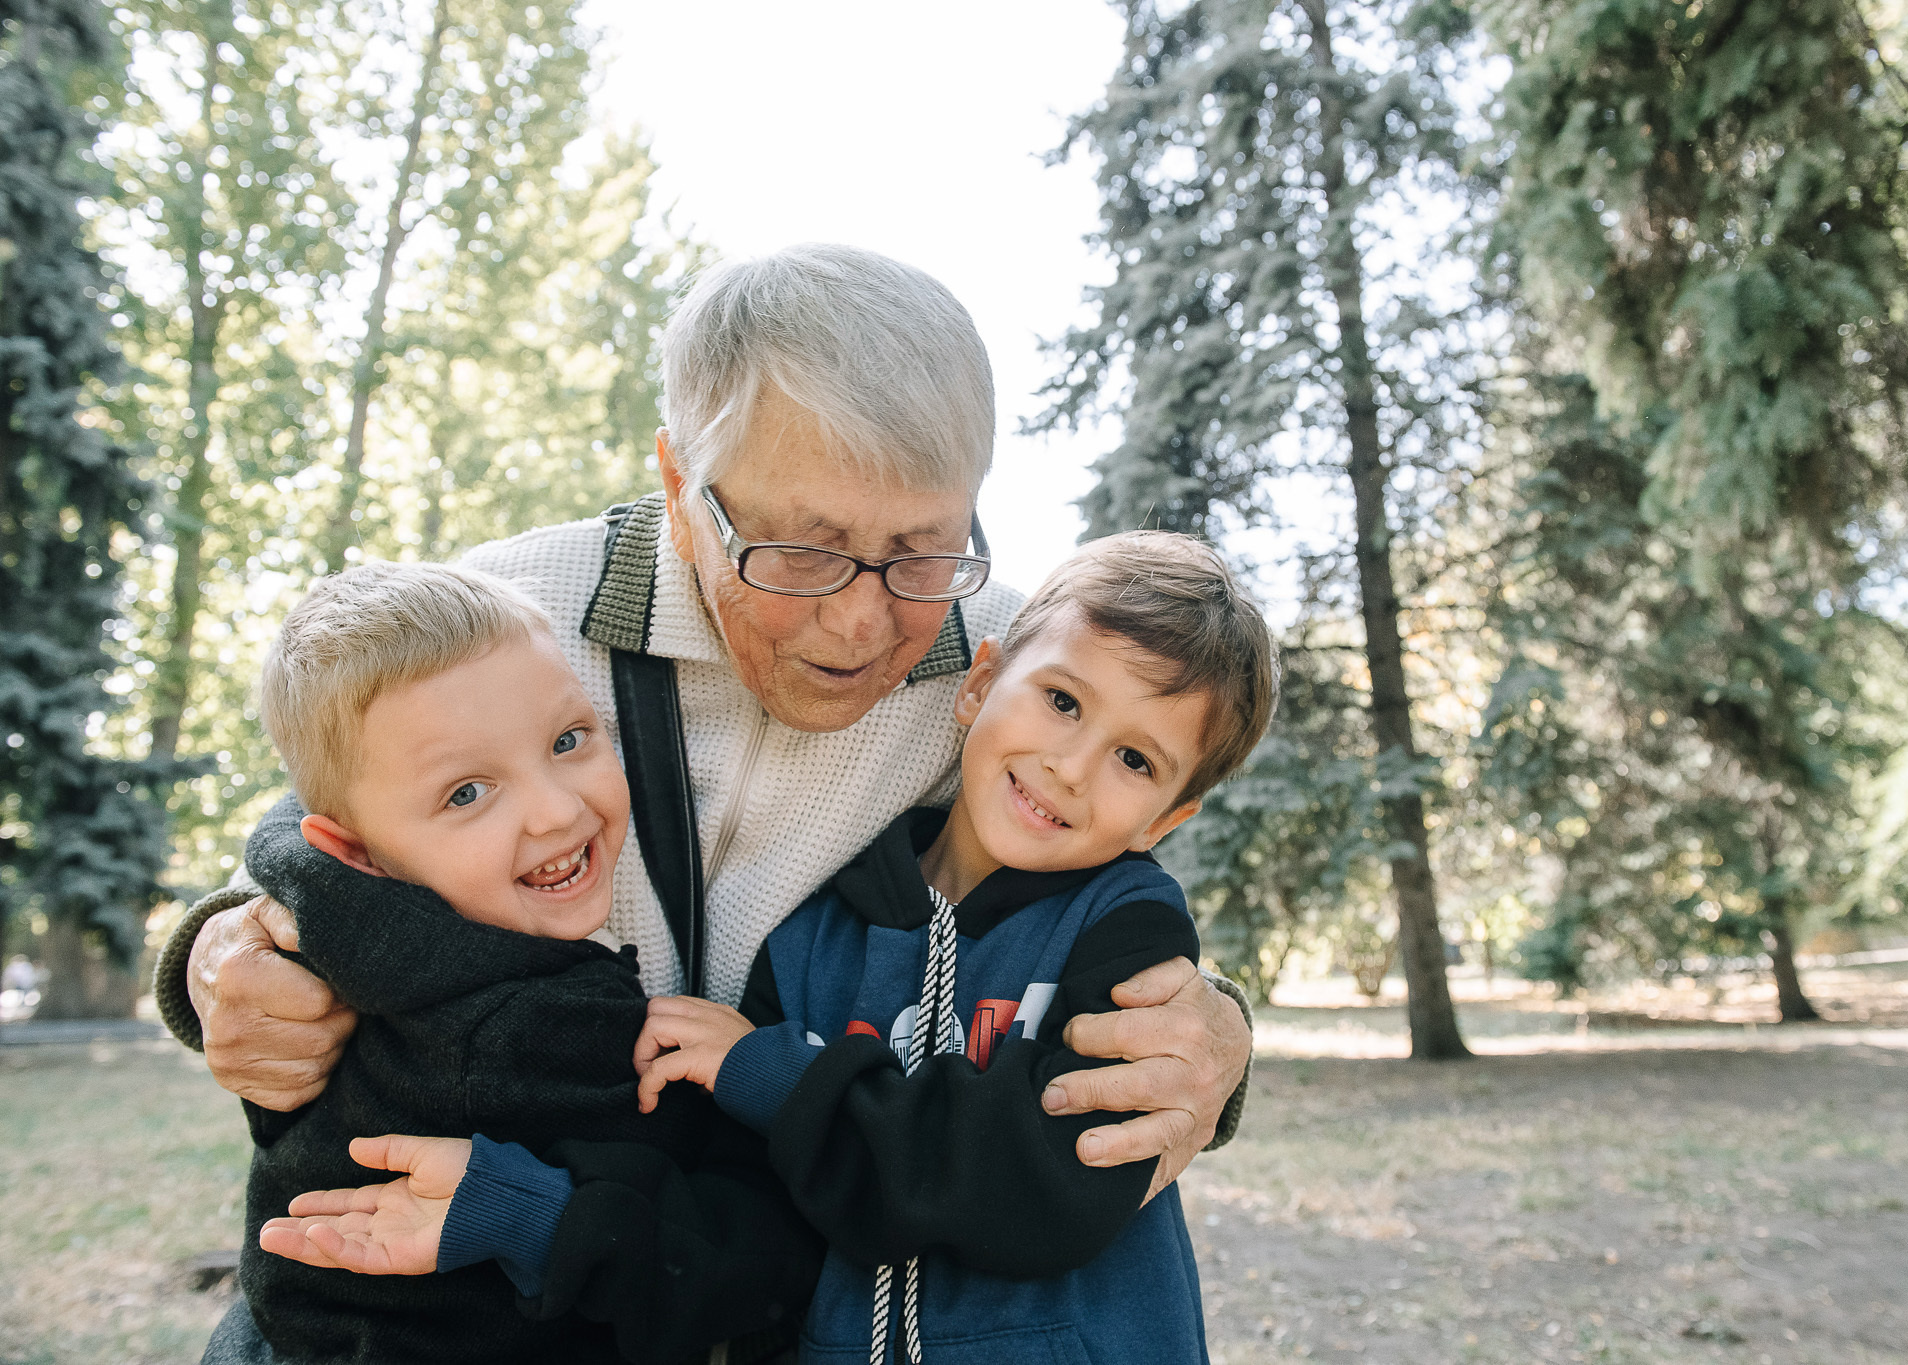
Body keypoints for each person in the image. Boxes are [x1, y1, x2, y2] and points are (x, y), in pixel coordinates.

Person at [154, 244, 1255, 1350]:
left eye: (919, 549)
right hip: (420, 1287)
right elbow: (301, 855)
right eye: (802, 552)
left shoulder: (1012, 672)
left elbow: (1115, 870)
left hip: (720, 1263)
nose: (861, 622)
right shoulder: (505, 619)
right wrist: (215, 962)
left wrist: (1214, 1025)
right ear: (682, 487)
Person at [262, 532, 1274, 1365]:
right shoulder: (815, 920)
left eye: (1134, 760)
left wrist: (773, 1075)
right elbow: (746, 1210)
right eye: (1060, 701)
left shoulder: (1122, 932)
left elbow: (1042, 1190)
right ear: (980, 683)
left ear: (1167, 817)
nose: (1068, 766)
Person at [225, 560, 819, 1365]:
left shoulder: (338, 948)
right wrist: (774, 1076)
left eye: (568, 740)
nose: (556, 808)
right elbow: (722, 1259)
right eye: (467, 792)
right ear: (356, 850)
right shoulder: (526, 1030)